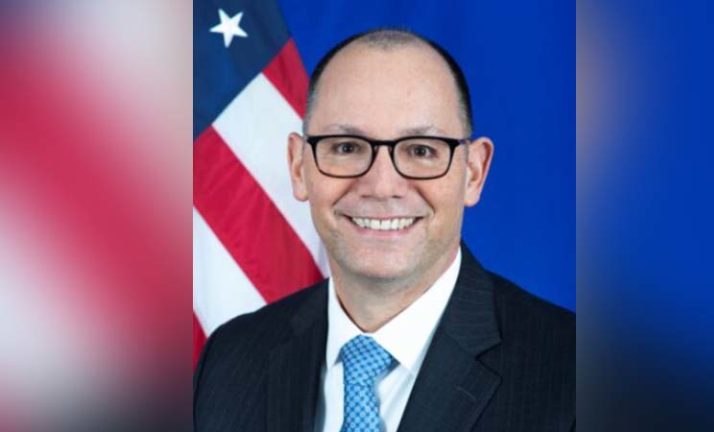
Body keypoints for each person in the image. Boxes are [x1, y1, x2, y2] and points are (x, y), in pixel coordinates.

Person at [194, 28, 574, 432]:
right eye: (346, 147)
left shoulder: (574, 377)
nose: (381, 186)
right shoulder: (229, 361)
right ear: (298, 167)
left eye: (421, 150)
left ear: (474, 173)